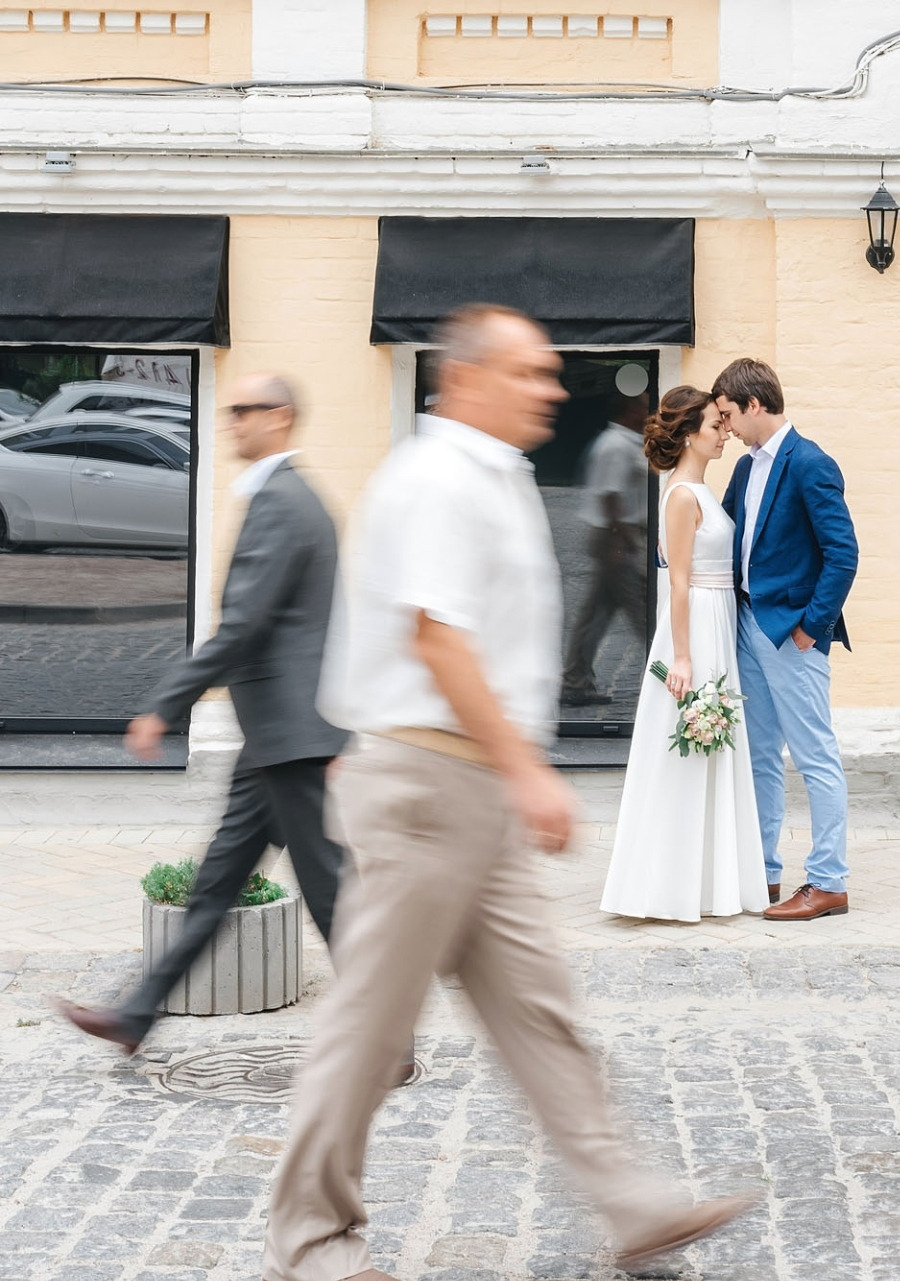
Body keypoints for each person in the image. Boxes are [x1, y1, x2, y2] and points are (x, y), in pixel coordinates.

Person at [262, 305, 750, 1281]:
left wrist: (513, 770)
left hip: (471, 784)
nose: (554, 390)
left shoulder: (489, 473)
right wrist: (528, 772)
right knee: (370, 1024)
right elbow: (437, 638)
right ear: (469, 379)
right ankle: (310, 1239)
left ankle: (633, 1204)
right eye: (532, 374)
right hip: (431, 783)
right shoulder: (439, 478)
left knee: (538, 1014)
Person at [56, 373, 349, 1054]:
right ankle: (136, 1014)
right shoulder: (287, 498)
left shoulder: (283, 502)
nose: (232, 422)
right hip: (275, 736)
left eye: (245, 411)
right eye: (231, 410)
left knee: (331, 897)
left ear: (280, 418)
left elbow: (242, 624)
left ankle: (385, 1037)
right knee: (217, 882)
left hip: (290, 735)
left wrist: (166, 703)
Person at [601, 386, 768, 921]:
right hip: (696, 624)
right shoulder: (680, 496)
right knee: (689, 749)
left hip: (716, 621)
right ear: (690, 432)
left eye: (724, 423)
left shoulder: (701, 490)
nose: (724, 433)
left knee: (714, 749)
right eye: (715, 425)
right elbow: (677, 584)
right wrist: (682, 657)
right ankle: (670, 884)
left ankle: (708, 881)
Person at [713, 357, 860, 920]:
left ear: (753, 405)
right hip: (748, 623)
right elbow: (724, 533)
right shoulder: (748, 468)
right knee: (759, 756)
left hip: (790, 632)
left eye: (728, 414)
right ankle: (765, 873)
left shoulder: (810, 462)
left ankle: (828, 881)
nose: (725, 427)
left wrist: (811, 628)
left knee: (814, 754)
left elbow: (842, 554)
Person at [560, 391, 652, 707]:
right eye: (642, 405)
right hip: (616, 538)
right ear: (628, 409)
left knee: (595, 614)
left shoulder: (626, 442)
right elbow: (610, 496)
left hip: (616, 537)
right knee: (645, 611)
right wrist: (621, 544)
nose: (647, 411)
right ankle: (670, 680)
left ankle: (575, 681)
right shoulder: (616, 446)